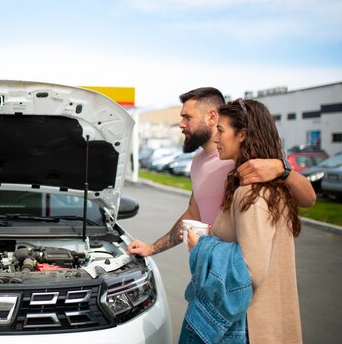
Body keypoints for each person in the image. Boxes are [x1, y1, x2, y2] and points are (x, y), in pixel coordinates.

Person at [128, 87, 315, 257]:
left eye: (187, 117)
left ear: (211, 117)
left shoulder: (243, 161)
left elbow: (309, 199)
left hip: (238, 280)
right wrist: (152, 248)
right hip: (209, 273)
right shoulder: (197, 161)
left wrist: (282, 169)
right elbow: (194, 213)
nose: (181, 124)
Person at [185, 98, 302, 344]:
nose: (216, 139)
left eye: (221, 131)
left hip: (248, 329)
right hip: (260, 326)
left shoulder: (251, 193)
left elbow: (249, 271)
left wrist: (202, 247)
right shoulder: (265, 184)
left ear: (242, 135)